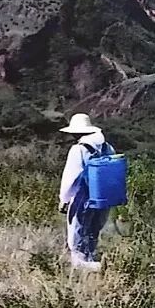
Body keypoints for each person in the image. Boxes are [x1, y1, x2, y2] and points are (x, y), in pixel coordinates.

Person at [59, 113, 113, 271]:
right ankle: (95, 270)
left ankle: (95, 269)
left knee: (76, 243)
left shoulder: (79, 149)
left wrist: (64, 199)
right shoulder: (107, 147)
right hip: (103, 199)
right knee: (91, 237)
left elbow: (72, 178)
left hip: (83, 199)